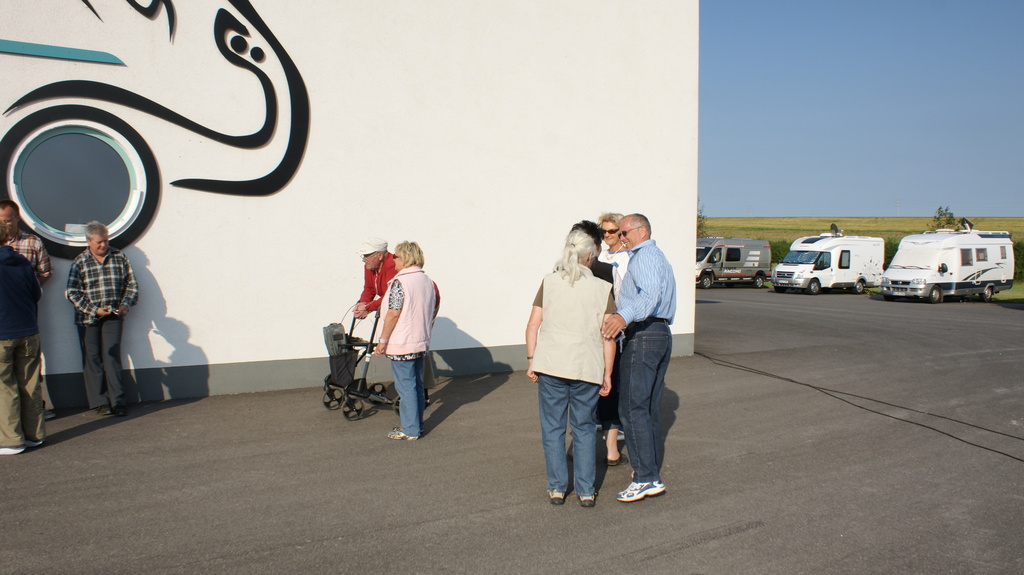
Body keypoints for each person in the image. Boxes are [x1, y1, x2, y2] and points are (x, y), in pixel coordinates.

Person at [526, 229, 616, 507]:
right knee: (585, 428)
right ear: (590, 256)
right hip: (586, 367)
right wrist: (608, 373)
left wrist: (531, 359)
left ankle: (557, 488)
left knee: (552, 429)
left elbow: (532, 325)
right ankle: (586, 491)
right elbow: (608, 336)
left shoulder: (549, 282)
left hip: (551, 364)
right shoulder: (602, 288)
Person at [600, 213, 676, 503]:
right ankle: (649, 475)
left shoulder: (644, 257)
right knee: (647, 410)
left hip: (644, 334)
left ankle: (645, 478)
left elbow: (649, 297)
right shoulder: (655, 257)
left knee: (632, 408)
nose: (621, 238)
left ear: (642, 232)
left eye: (624, 232)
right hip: (657, 334)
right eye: (618, 233)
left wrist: (622, 316)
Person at [65, 222, 139, 417]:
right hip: (88, 317)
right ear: (88, 241)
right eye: (99, 242)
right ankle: (99, 401)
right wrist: (94, 310)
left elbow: (132, 285)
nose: (103, 245)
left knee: (111, 355)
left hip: (114, 315)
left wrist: (126, 304)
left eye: (105, 240)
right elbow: (72, 292)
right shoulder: (80, 261)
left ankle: (118, 401)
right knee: (93, 357)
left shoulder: (119, 257)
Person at [373, 241, 436, 440]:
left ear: (406, 258)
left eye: (396, 256)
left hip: (402, 343)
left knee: (406, 387)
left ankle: (410, 429)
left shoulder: (400, 282)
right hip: (420, 341)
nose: (393, 260)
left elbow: (393, 313)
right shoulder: (427, 281)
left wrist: (382, 340)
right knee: (416, 386)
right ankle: (416, 425)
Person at [0, 200, 56, 421]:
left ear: (17, 218)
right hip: (4, 318)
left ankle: (37, 409)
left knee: (29, 368)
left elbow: (46, 272)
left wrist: (24, 293)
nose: (4, 224)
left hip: (25, 315)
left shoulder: (32, 242)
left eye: (7, 220)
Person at [0, 221, 45, 455]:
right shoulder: (22, 262)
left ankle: (11, 440)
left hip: (3, 333)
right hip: (28, 329)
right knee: (30, 383)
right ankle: (34, 435)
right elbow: (36, 293)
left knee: (4, 387)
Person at [597, 212, 630, 466]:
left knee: (612, 382)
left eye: (612, 231)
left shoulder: (627, 257)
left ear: (621, 232)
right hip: (594, 326)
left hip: (615, 326)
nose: (607, 235)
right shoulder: (599, 256)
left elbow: (624, 295)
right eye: (604, 231)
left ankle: (612, 440)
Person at [354, 238, 397, 320]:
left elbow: (390, 296)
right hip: (385, 308)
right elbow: (369, 288)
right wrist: (361, 305)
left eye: (367, 256)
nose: (363, 260)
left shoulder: (393, 265)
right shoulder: (370, 266)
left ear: (380, 256)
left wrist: (367, 307)